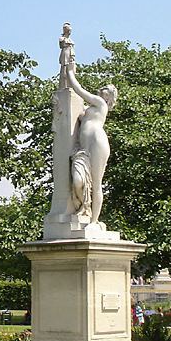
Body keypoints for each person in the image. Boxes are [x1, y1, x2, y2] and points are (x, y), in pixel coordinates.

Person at [66, 66, 118, 226]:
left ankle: (94, 221)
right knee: (78, 181)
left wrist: (69, 73)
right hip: (83, 149)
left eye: (106, 90)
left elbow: (79, 90)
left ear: (109, 96)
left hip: (97, 142)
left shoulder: (101, 104)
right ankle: (85, 208)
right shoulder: (92, 108)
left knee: (96, 184)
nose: (102, 90)